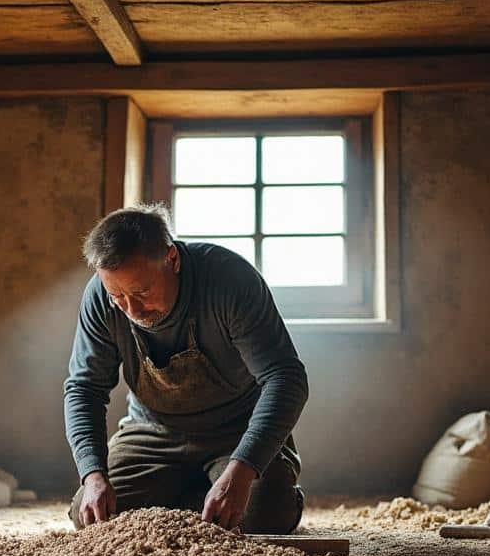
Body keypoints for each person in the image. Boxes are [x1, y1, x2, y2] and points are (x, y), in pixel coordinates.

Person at [64, 204, 309, 533]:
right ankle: (197, 493)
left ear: (172, 258)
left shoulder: (229, 281)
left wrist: (242, 470)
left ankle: (211, 486)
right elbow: (84, 389)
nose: (132, 309)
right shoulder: (99, 298)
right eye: (118, 296)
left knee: (264, 516)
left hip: (235, 431)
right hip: (152, 432)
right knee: (90, 514)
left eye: (142, 292)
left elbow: (285, 378)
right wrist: (93, 475)